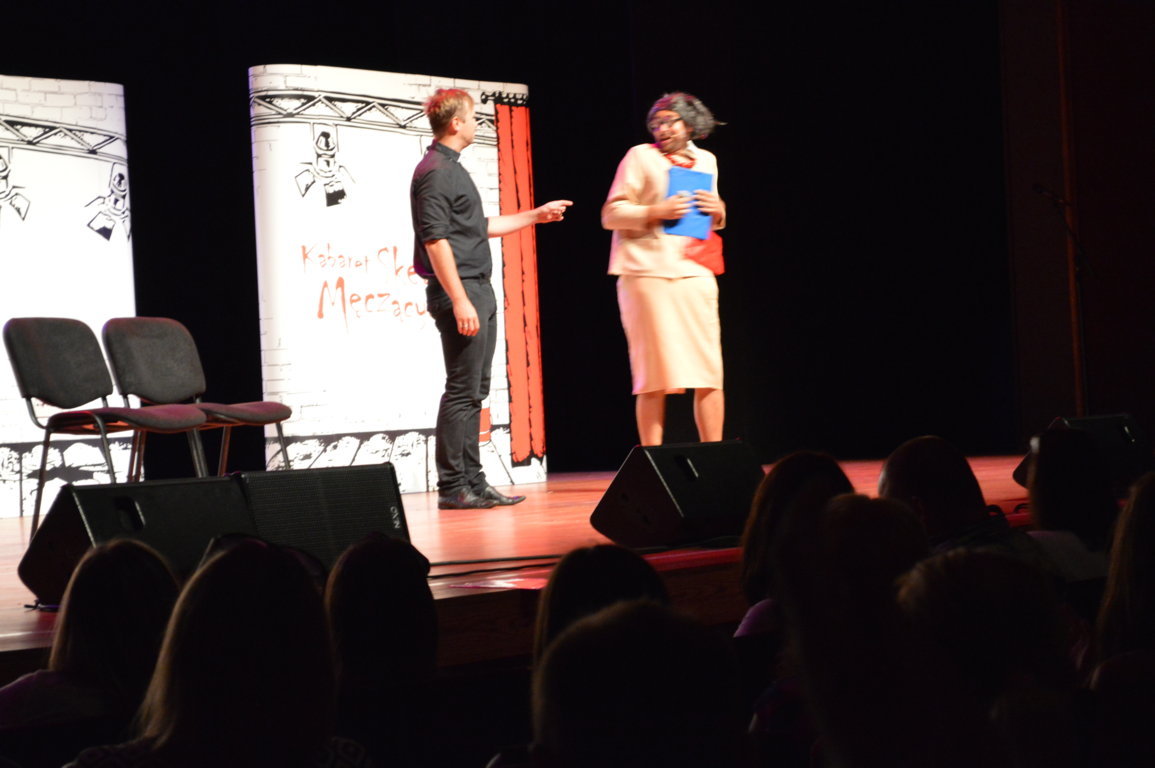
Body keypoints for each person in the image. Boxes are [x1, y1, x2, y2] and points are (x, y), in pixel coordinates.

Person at [411, 88, 571, 509]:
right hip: (462, 289)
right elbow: (435, 240)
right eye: (473, 117)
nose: (477, 124)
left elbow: (475, 227)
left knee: (475, 390)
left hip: (477, 287)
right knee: (462, 390)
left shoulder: (451, 169)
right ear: (455, 123)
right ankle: (453, 487)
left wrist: (535, 215)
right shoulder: (436, 172)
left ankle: (473, 481)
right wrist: (460, 299)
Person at [602, 92, 727, 446]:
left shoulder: (707, 160)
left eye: (669, 121)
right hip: (647, 273)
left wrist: (718, 209)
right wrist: (657, 211)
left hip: (695, 270)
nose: (661, 129)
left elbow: (714, 217)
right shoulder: (640, 157)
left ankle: (714, 455)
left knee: (708, 370)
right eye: (655, 123)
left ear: (689, 123)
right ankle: (652, 460)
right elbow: (611, 214)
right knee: (653, 374)